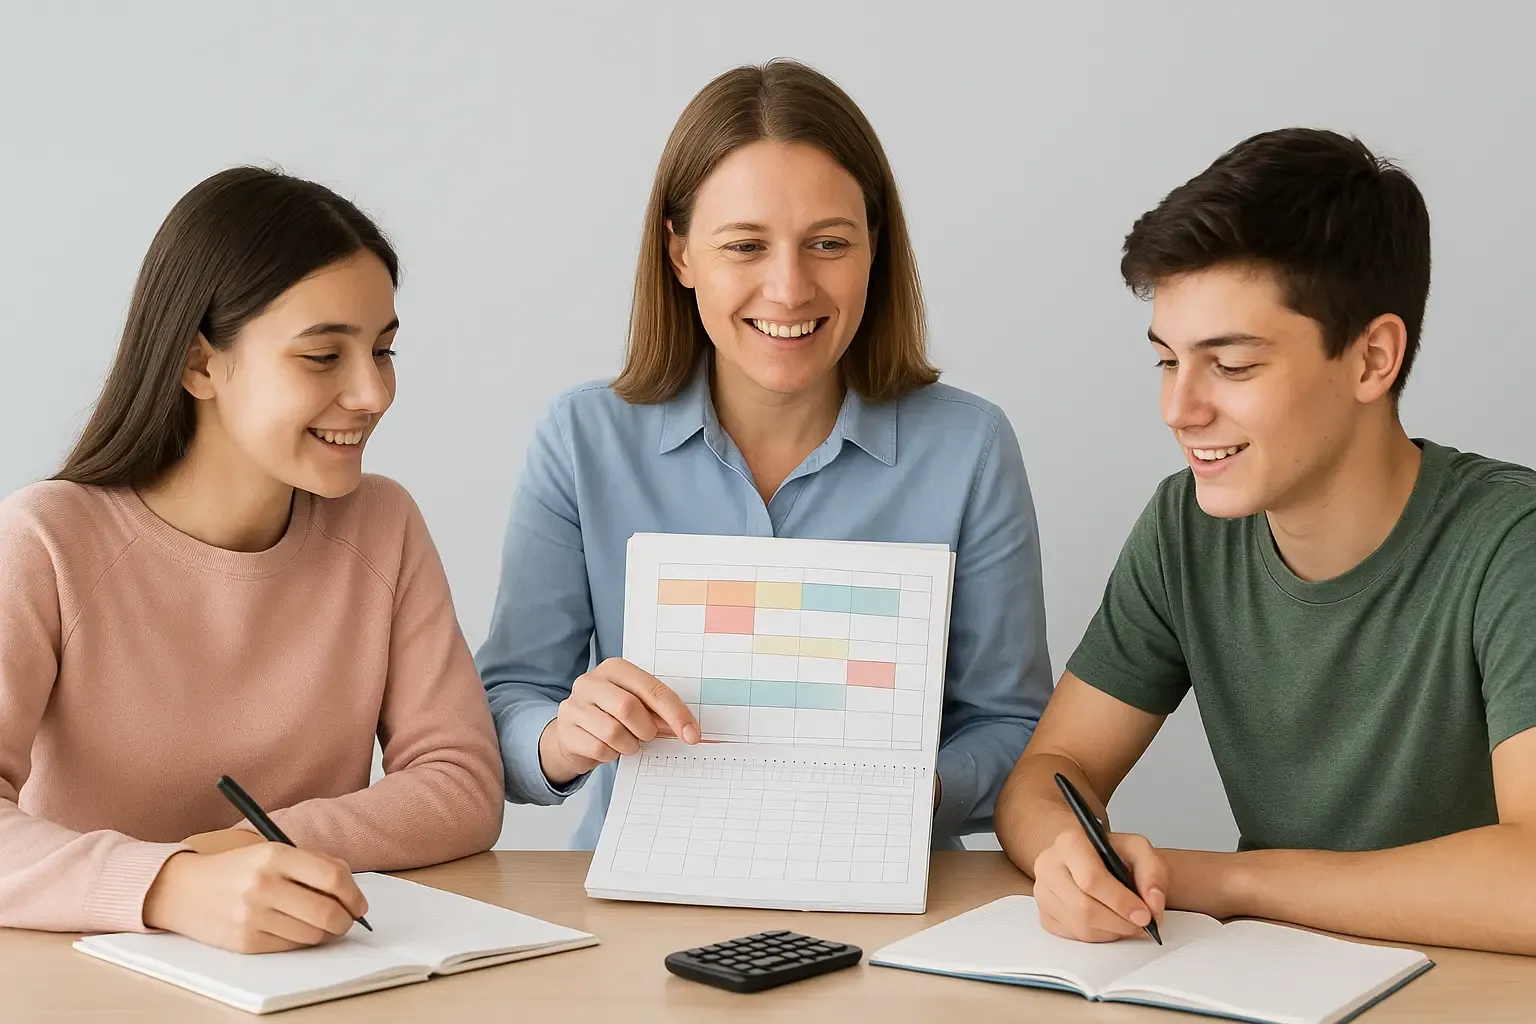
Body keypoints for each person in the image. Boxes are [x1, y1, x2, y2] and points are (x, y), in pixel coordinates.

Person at [478, 58, 1052, 850]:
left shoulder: (971, 448)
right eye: (745, 246)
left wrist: (915, 792)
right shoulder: (582, 440)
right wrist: (564, 736)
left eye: (827, 243)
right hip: (640, 893)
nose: (788, 289)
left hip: (887, 890)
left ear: (874, 249)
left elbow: (1015, 724)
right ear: (680, 255)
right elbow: (509, 700)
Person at [995, 128, 1536, 955]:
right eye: (1167, 362)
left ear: (1372, 359)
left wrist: (1231, 880)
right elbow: (1054, 769)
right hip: (1274, 985)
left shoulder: (1512, 543)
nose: (1180, 410)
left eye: (1232, 367)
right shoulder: (1184, 530)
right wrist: (1069, 858)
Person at [0, 167, 505, 952]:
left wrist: (256, 848)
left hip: (310, 975)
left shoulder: (382, 524)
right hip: (83, 977)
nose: (372, 392)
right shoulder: (47, 541)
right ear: (199, 364)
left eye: (383, 350)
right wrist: (168, 883)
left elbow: (462, 782)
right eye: (322, 356)